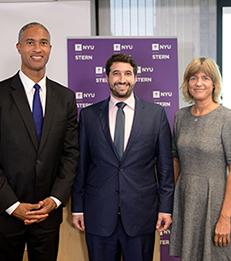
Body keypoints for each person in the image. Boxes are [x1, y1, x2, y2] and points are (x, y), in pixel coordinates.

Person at [72, 53, 174, 261]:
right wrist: (77, 207)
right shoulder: (89, 115)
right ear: (107, 77)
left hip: (141, 214)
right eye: (116, 73)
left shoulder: (156, 115)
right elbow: (81, 165)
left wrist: (165, 208)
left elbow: (165, 168)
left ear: (135, 78)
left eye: (128, 74)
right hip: (98, 213)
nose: (122, 79)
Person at [0, 22, 79, 261]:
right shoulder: (1, 95)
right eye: (30, 42)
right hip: (6, 213)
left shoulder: (65, 97)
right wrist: (13, 205)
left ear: (50, 49)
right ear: (19, 47)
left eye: (43, 42)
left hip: (47, 215)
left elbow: (71, 153)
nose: (37, 48)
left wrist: (55, 200)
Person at [169, 57, 231, 260]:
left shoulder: (226, 118)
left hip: (215, 203)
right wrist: (170, 205)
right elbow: (176, 160)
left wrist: (225, 217)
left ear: (214, 84)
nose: (199, 83)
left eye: (205, 78)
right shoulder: (180, 117)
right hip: (186, 200)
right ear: (187, 83)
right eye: (193, 78)